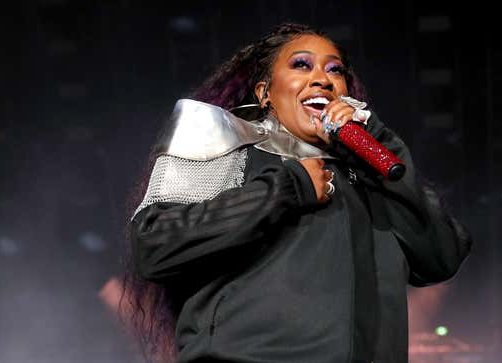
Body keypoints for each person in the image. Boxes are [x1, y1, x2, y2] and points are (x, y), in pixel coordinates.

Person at [123, 22, 472, 363]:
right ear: (265, 92)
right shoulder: (230, 146)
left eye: (336, 71)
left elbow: (441, 257)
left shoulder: (368, 174)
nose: (322, 78)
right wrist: (286, 188)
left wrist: (380, 144)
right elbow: (155, 243)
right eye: (301, 64)